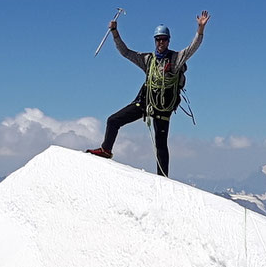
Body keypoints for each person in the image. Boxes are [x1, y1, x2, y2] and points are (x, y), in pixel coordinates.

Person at [87, 11, 208, 176]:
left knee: (161, 144)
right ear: (155, 40)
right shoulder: (148, 60)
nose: (161, 42)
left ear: (168, 41)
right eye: (158, 39)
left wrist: (200, 29)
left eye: (164, 39)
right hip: (146, 103)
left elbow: (192, 49)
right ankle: (106, 150)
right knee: (113, 120)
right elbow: (126, 52)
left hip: (163, 108)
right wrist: (115, 32)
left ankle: (163, 178)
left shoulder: (175, 59)